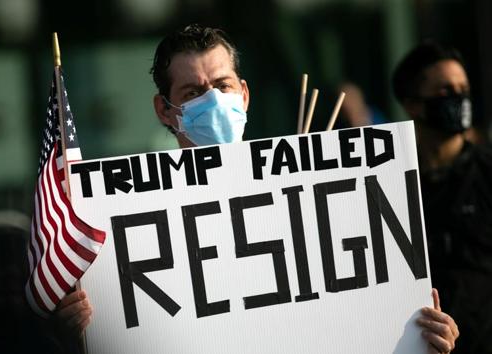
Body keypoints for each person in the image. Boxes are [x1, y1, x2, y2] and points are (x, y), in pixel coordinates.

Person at [54, 25, 460, 353]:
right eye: (193, 93)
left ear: (244, 94)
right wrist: (87, 330)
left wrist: (419, 335)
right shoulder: (128, 214)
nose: (213, 100)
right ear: (165, 109)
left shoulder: (308, 187)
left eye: (222, 85)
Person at [393, 41, 491, 354]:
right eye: (446, 91)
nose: (460, 99)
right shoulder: (390, 186)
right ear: (413, 104)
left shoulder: (487, 174)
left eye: (464, 89)